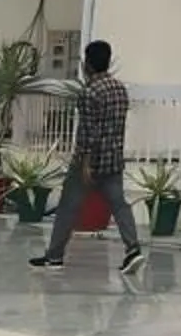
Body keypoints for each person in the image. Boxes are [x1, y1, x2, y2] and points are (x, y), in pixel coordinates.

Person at [30, 40, 143, 274]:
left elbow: (87, 132)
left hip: (90, 163)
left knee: (68, 207)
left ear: (87, 64)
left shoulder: (89, 92)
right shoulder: (119, 89)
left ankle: (54, 256)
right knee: (119, 204)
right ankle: (133, 249)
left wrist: (85, 163)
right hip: (113, 160)